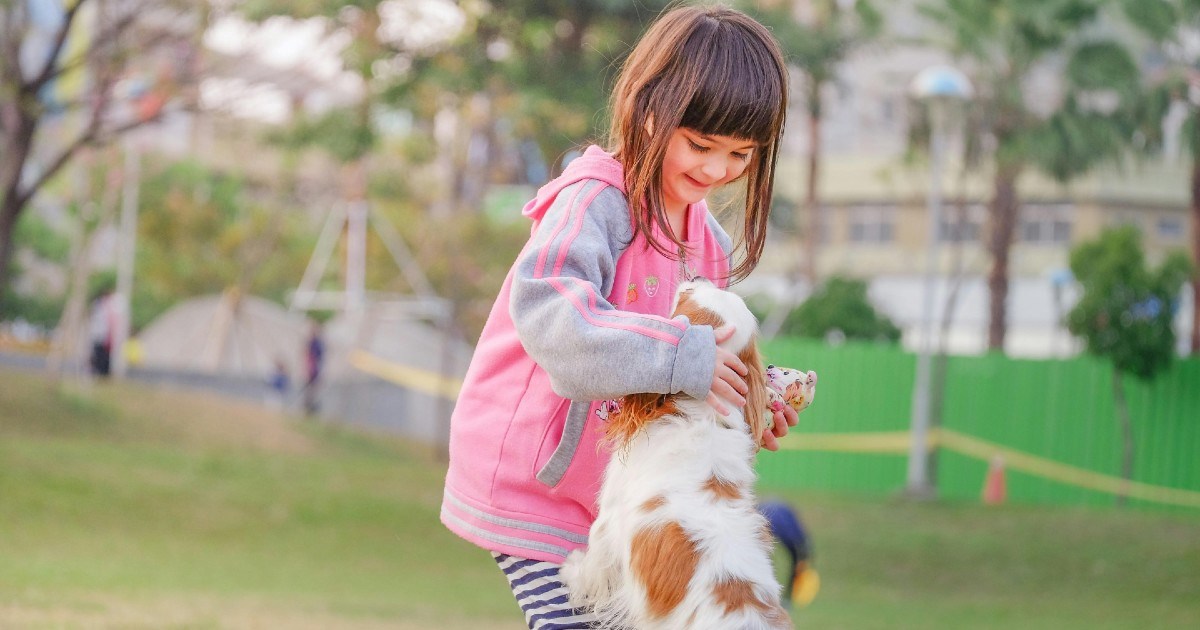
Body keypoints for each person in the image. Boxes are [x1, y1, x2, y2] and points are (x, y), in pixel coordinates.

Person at [439, 5, 794, 628]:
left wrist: (746, 397)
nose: (717, 171)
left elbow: (688, 369)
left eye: (741, 153)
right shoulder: (596, 203)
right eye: (700, 145)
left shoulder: (707, 243)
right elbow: (551, 314)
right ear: (648, 109)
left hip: (625, 494)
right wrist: (687, 358)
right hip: (541, 486)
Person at [758, 499, 819, 609]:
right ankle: (775, 597)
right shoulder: (765, 520)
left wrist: (804, 558)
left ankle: (786, 598)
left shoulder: (787, 529)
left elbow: (799, 545)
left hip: (780, 523)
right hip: (771, 521)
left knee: (796, 562)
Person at [87, 287, 118, 377]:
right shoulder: (99, 306)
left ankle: (103, 372)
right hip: (99, 335)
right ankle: (99, 371)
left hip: (104, 335)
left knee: (104, 355)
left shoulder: (108, 306)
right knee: (99, 354)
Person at [303, 323, 324, 415]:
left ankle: (311, 407)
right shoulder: (312, 343)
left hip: (314, 370)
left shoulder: (317, 343)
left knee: (313, 390)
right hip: (312, 370)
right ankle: (308, 407)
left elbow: (318, 357)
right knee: (310, 389)